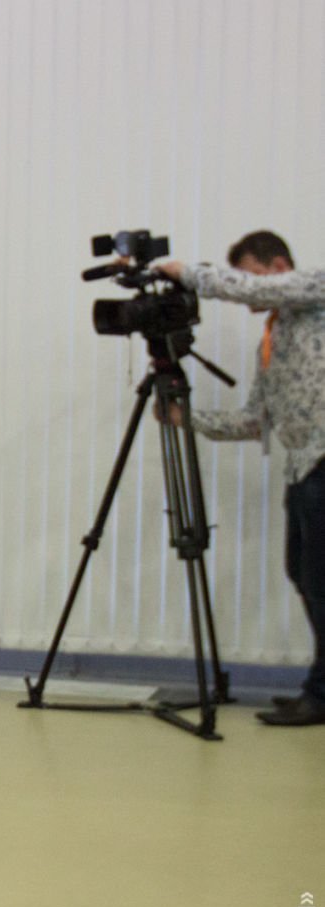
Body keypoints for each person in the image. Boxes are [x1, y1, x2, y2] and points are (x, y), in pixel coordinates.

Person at [156, 231, 325, 726]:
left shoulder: (315, 290)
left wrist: (189, 274)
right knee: (305, 577)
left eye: (249, 274)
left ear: (278, 268)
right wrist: (188, 419)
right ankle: (320, 686)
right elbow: (255, 421)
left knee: (321, 582)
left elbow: (256, 290)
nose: (246, 291)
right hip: (303, 468)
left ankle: (322, 694)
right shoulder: (272, 340)